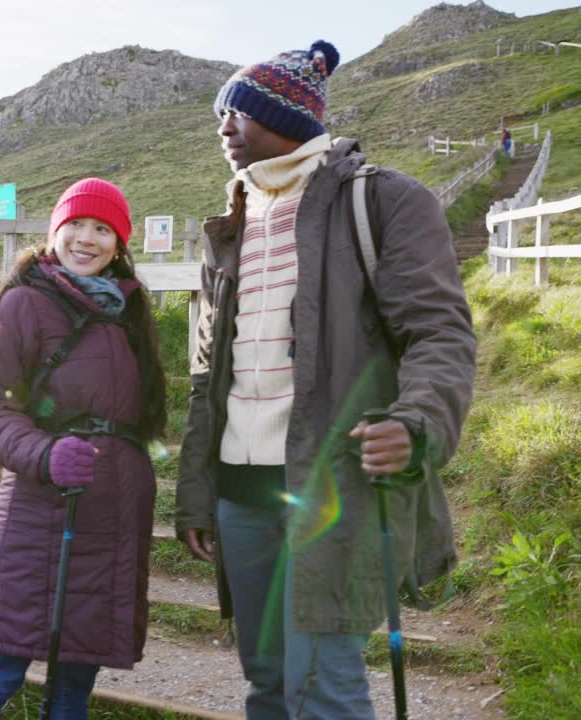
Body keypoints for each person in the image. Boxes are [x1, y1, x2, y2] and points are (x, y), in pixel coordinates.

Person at [175, 41, 477, 719]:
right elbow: (207, 376)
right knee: (267, 683)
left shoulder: (385, 201)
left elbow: (440, 333)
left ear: (287, 118)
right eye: (221, 116)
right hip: (239, 492)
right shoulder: (229, 224)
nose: (223, 127)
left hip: (333, 486)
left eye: (238, 112)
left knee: (324, 688)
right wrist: (197, 493)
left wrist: (417, 423)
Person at [0, 178, 167, 719]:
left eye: (103, 229)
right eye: (75, 224)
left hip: (112, 513)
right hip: (40, 509)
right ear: (54, 232)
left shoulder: (130, 312)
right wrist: (45, 454)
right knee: (1, 662)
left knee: (77, 672)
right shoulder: (21, 304)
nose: (87, 239)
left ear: (119, 244)